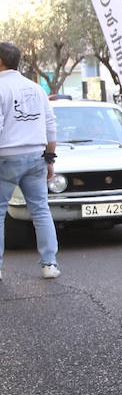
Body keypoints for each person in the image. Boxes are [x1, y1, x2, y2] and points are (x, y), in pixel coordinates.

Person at [0, 42, 59, 280]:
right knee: (41, 210)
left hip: (6, 157)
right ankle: (49, 264)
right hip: (36, 156)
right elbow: (50, 125)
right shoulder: (36, 88)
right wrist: (50, 159)